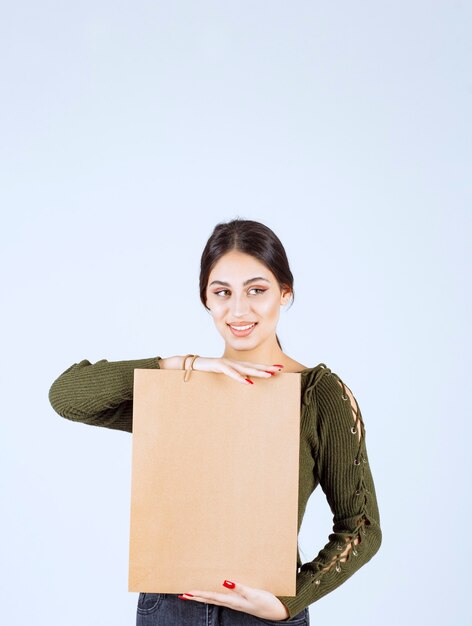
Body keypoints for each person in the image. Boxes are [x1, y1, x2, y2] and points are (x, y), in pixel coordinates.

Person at [48, 217, 382, 625]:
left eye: (256, 290)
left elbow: (361, 527)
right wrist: (180, 365)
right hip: (168, 607)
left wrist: (286, 604)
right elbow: (67, 397)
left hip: (261, 613)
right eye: (222, 292)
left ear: (285, 293)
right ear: (206, 300)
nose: (238, 309)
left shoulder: (316, 394)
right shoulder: (180, 391)